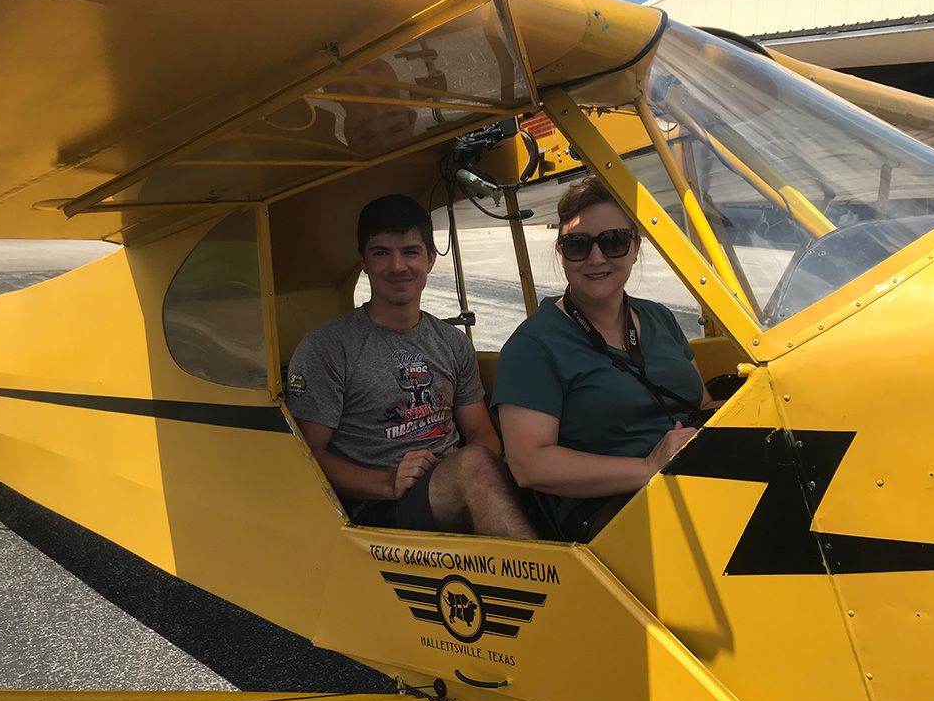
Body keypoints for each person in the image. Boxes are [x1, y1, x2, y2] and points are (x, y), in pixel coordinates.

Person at [286, 194, 536, 539]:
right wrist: (389, 482)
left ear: (431, 259)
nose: (397, 266)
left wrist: (473, 474)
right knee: (476, 465)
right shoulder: (328, 347)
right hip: (379, 509)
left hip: (456, 483)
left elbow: (480, 432)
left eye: (410, 252)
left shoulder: (451, 342)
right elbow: (307, 454)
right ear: (363, 262)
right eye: (382, 253)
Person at [492, 177, 718, 542]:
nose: (597, 258)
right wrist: (648, 467)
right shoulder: (533, 346)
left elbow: (702, 403)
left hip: (697, 475)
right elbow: (529, 465)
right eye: (579, 245)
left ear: (635, 248)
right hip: (608, 510)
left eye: (613, 242)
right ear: (561, 253)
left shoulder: (659, 317)